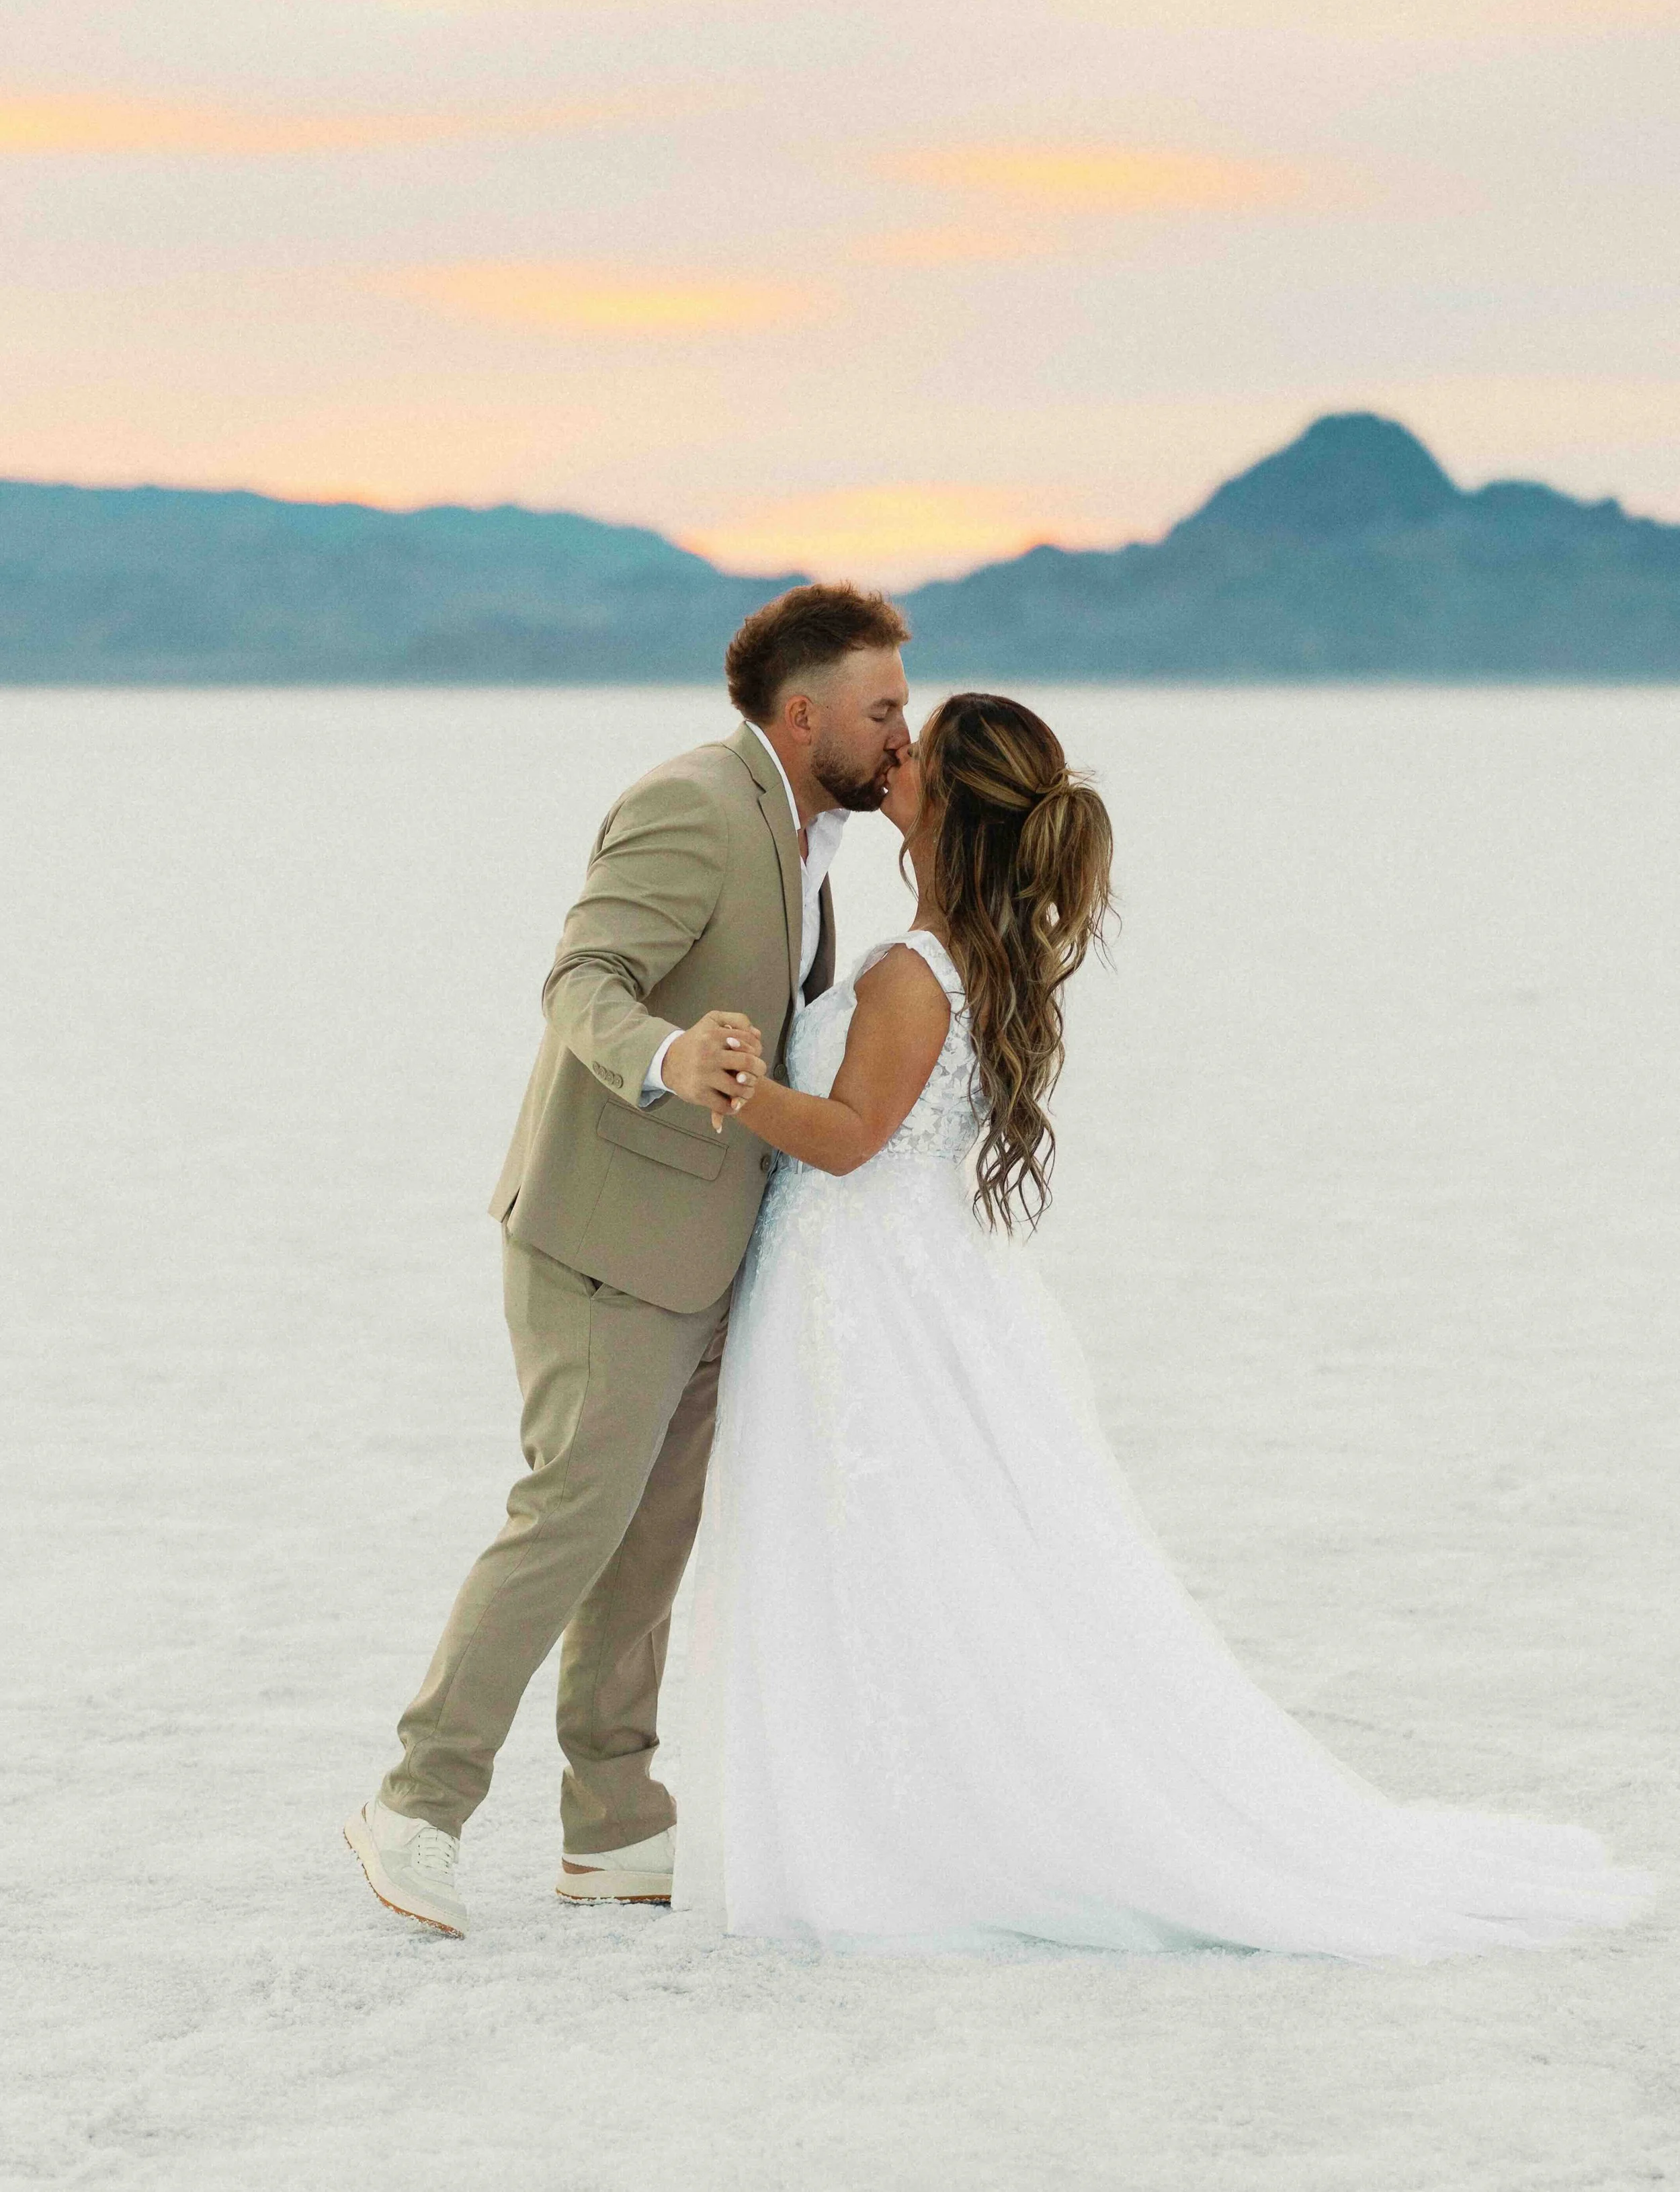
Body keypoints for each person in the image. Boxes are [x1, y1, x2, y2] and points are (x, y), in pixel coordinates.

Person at [673, 690, 1653, 1957]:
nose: (893, 763)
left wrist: (739, 1086)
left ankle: (919, 1828)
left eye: (915, 757)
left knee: (895, 1543)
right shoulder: (953, 950)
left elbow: (856, 1139)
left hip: (865, 1292)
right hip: (884, 1283)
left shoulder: (920, 973)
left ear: (955, 809)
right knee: (899, 1547)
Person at [345, 583, 911, 1937]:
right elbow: (583, 979)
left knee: (647, 1545)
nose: (905, 730)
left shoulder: (813, 832)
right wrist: (664, 1058)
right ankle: (417, 1804)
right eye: (883, 706)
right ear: (802, 709)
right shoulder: (693, 804)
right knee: (569, 1521)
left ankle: (611, 1826)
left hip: (713, 1249)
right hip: (606, 1236)